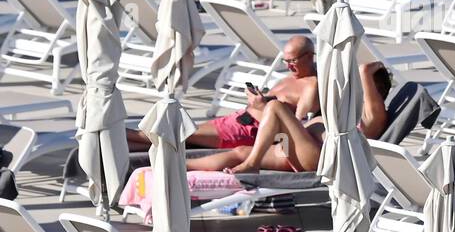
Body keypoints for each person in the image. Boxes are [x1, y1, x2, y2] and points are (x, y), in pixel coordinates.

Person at [185, 60, 393, 174]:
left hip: (319, 159)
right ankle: (181, 167)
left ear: (377, 89)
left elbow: (364, 69)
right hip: (302, 148)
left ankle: (253, 165)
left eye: (361, 84)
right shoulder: (351, 108)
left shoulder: (374, 115)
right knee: (241, 152)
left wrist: (375, 68)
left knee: (275, 107)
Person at [126, 34, 319, 152]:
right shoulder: (289, 78)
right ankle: (123, 145)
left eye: (292, 61)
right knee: (183, 140)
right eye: (285, 61)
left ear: (309, 56)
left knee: (178, 133)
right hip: (236, 121)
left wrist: (263, 106)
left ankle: (123, 135)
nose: (288, 66)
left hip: (248, 132)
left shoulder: (311, 86)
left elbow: (298, 128)